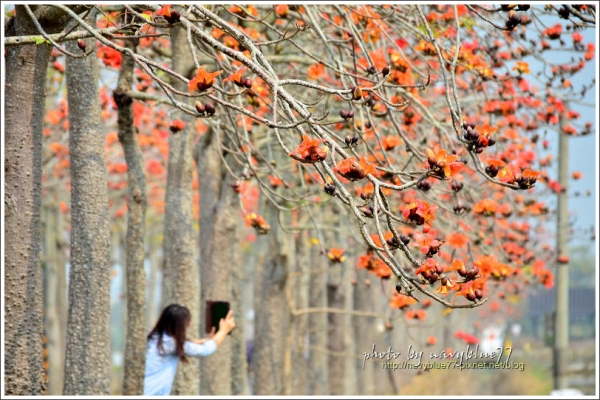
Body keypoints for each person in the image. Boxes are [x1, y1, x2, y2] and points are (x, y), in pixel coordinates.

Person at [144, 303, 236, 395]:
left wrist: (206, 340)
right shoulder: (171, 344)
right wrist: (224, 330)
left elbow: (184, 344)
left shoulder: (153, 336)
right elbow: (205, 350)